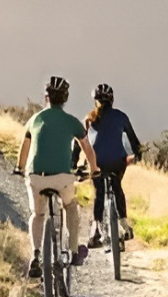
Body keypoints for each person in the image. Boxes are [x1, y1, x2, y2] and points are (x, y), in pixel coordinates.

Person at [16, 76, 101, 278]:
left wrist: (20, 168)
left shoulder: (34, 119)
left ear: (47, 98)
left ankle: (36, 255)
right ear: (65, 98)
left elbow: (25, 148)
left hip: (36, 177)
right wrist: (94, 169)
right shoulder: (72, 122)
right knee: (71, 206)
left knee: (38, 215)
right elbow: (87, 149)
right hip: (62, 178)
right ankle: (72, 251)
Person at [85, 83, 143, 248]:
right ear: (112, 100)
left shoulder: (90, 118)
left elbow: (79, 144)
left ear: (95, 101)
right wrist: (138, 155)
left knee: (99, 192)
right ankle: (124, 224)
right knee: (117, 186)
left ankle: (95, 230)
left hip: (97, 162)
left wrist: (74, 162)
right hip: (118, 161)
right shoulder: (121, 116)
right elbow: (134, 140)